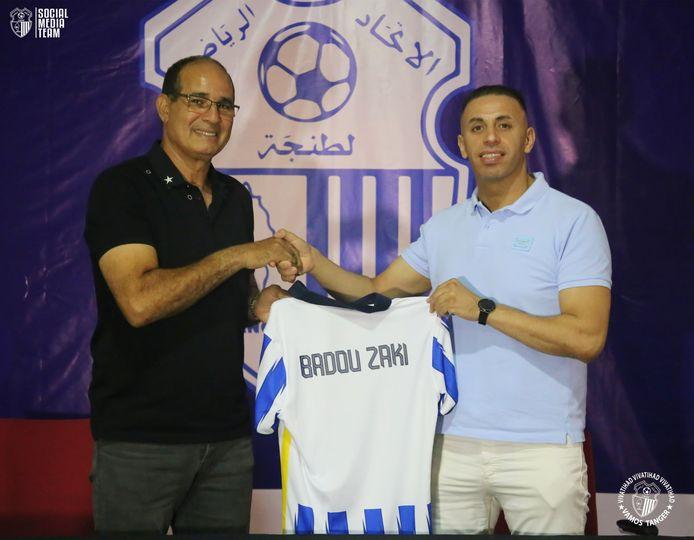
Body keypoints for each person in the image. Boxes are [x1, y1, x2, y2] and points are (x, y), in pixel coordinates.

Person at [271, 85, 611, 535]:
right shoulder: (444, 228)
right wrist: (316, 263)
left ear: (528, 138)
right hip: (450, 445)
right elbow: (374, 293)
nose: (491, 138)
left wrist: (484, 310)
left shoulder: (574, 221)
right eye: (477, 128)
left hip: (543, 447)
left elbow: (586, 337)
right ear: (462, 145)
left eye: (504, 125)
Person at [84, 55, 299, 534]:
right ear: (165, 107)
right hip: (141, 438)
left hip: (226, 438)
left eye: (224, 105)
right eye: (197, 100)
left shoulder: (234, 196)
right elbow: (140, 302)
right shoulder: (123, 188)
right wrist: (238, 255)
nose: (212, 116)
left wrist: (259, 305)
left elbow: (228, 293)